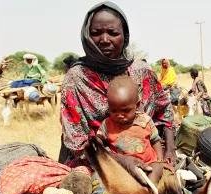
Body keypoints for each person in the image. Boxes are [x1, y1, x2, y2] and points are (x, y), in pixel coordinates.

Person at [59, 2, 176, 169]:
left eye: (113, 33)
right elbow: (77, 141)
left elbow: (165, 112)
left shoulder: (142, 71)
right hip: (98, 163)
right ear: (86, 36)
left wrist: (170, 150)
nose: (104, 40)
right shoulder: (76, 79)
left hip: (149, 158)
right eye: (96, 33)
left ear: (125, 36)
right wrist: (121, 161)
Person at [97, 76, 163, 185]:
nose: (120, 115)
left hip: (148, 163)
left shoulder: (145, 121)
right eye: (114, 111)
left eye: (125, 111)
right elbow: (98, 140)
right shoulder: (107, 124)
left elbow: (155, 141)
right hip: (123, 166)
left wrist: (160, 161)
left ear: (136, 105)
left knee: (156, 168)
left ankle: (149, 189)